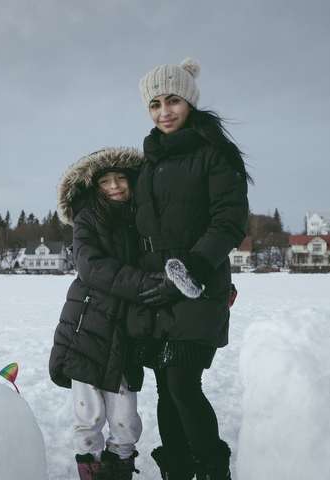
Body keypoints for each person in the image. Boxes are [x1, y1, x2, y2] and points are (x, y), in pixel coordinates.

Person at [132, 58, 250, 480]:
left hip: (198, 289)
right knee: (165, 388)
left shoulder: (213, 155)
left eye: (173, 100)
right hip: (155, 293)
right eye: (155, 103)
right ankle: (178, 470)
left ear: (190, 101)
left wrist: (191, 270)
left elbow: (229, 221)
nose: (164, 111)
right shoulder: (146, 163)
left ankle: (214, 470)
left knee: (183, 384)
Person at [49, 147, 164, 480]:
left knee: (126, 418)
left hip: (126, 328)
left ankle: (119, 470)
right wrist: (144, 283)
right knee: (89, 414)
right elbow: (90, 266)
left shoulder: (142, 220)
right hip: (88, 323)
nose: (115, 186)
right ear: (94, 187)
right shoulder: (87, 218)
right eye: (106, 181)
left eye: (121, 179)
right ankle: (90, 469)